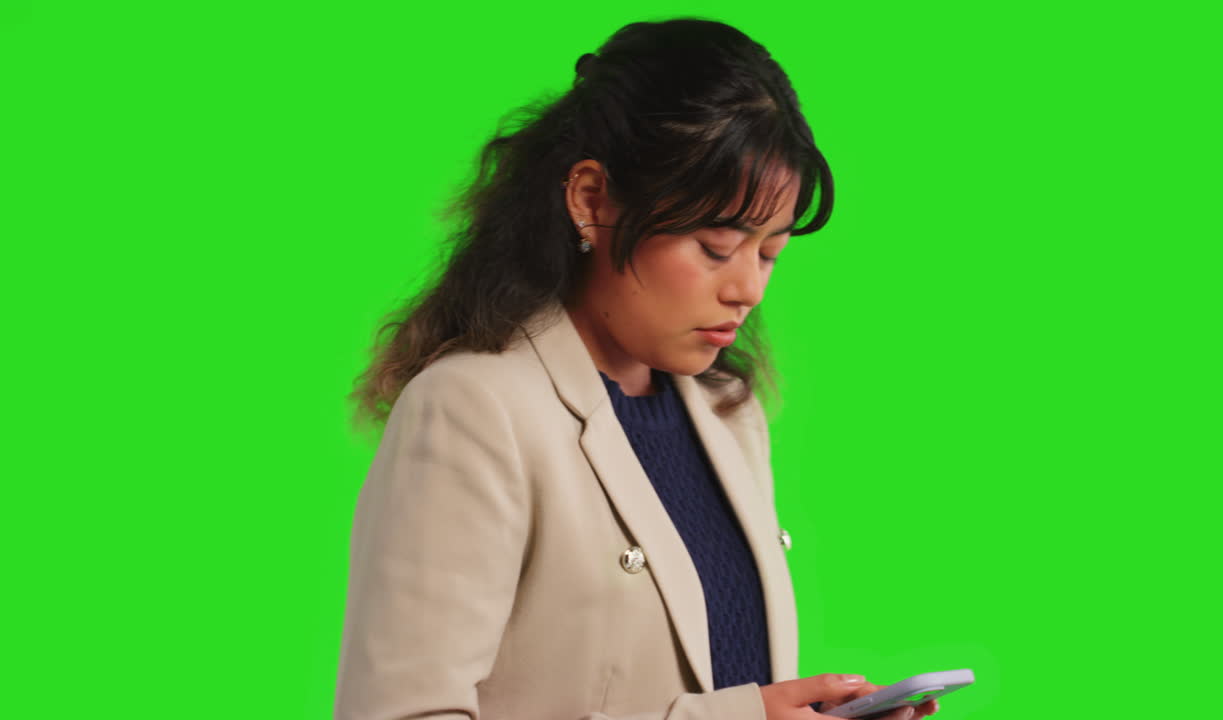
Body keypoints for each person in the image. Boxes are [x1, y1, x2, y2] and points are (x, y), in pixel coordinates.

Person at [335, 17, 941, 720]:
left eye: (769, 253)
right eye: (716, 247)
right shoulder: (473, 410)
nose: (748, 288)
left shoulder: (728, 413)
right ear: (590, 200)